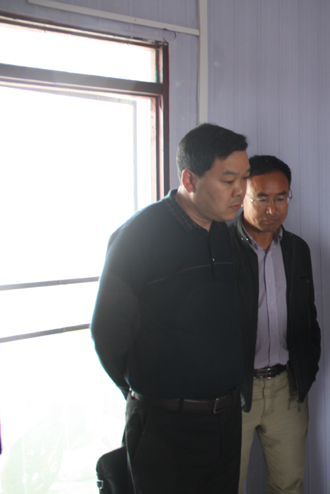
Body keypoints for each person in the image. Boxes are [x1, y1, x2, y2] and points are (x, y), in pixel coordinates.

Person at [91, 123, 251, 494]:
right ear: (189, 179)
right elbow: (107, 333)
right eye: (229, 180)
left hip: (225, 420)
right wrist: (143, 392)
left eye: (245, 177)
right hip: (165, 426)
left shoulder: (224, 232)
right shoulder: (140, 235)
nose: (241, 190)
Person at [230, 155, 321, 494]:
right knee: (226, 484)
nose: (272, 209)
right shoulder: (220, 246)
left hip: (287, 387)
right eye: (262, 198)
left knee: (289, 485)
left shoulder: (297, 249)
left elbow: (307, 315)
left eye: (280, 198)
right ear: (243, 197)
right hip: (234, 390)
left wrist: (307, 367)